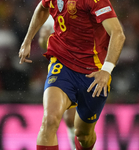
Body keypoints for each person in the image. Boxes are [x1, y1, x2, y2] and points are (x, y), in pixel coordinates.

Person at [19, 0, 125, 149]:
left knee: (84, 135)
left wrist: (106, 70)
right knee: (50, 119)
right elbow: (42, 8)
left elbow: (118, 34)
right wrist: (28, 39)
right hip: (62, 64)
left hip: (92, 73)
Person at [39, 15, 76, 150]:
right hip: (62, 68)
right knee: (64, 119)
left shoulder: (91, 5)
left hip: (89, 65)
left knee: (80, 125)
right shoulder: (54, 8)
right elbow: (43, 42)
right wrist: (46, 38)